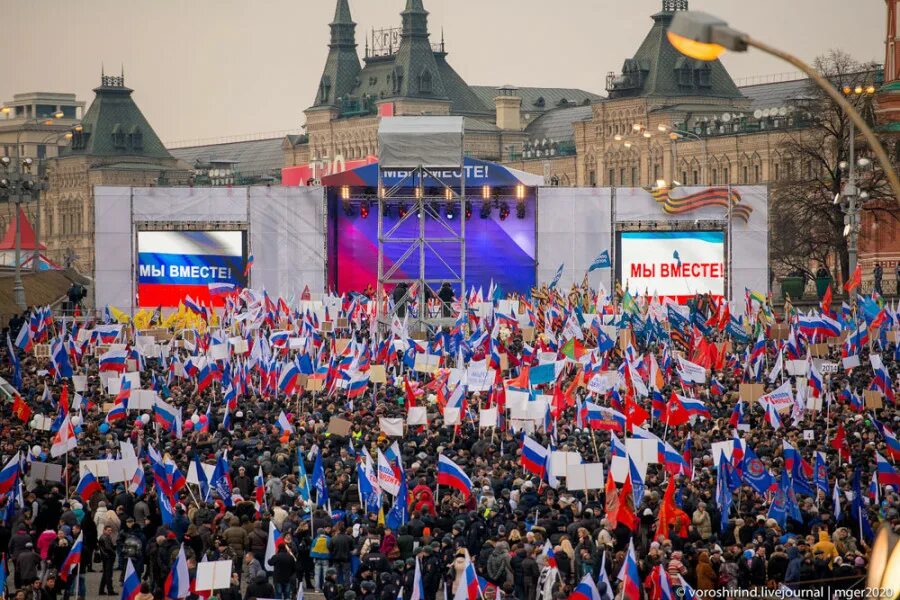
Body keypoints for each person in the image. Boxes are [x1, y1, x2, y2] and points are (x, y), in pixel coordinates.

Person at [97, 526, 117, 596]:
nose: (110, 532)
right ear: (104, 530)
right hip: (108, 557)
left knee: (105, 574)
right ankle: (110, 591)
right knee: (108, 575)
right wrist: (114, 553)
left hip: (105, 557)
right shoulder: (105, 537)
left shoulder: (103, 537)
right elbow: (108, 547)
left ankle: (101, 590)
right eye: (108, 530)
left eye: (111, 530)